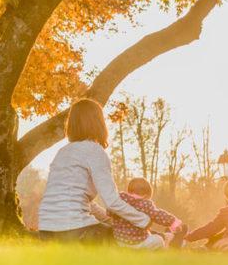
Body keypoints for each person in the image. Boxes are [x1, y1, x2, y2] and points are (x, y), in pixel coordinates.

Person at [36, 99, 151, 243]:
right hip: (75, 230)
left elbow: (81, 201)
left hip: (46, 231)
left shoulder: (62, 152)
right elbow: (112, 202)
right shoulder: (94, 150)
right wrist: (144, 221)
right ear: (98, 123)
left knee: (113, 230)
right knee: (128, 239)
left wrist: (110, 219)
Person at [100, 178, 187, 250]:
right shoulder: (145, 204)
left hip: (120, 242)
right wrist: (173, 221)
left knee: (149, 234)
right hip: (137, 244)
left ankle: (169, 238)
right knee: (158, 240)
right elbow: (158, 215)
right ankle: (167, 247)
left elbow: (109, 212)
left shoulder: (120, 200)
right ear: (146, 195)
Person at [184, 178, 228, 249]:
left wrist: (190, 236)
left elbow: (210, 228)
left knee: (218, 242)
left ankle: (205, 248)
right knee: (218, 241)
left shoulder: (227, 211)